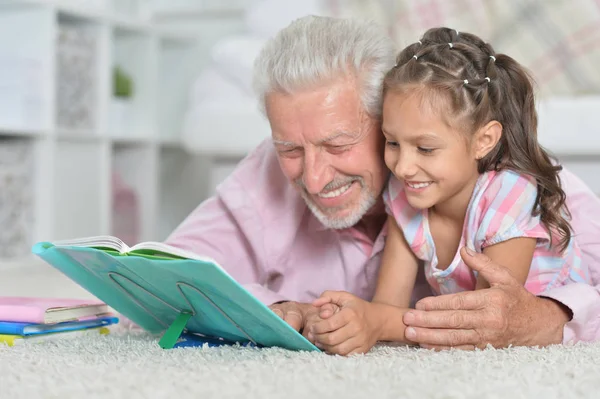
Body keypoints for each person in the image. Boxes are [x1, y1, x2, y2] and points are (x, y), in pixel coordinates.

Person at [164, 16, 600, 351]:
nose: (314, 178)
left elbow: (487, 320)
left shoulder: (519, 183)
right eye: (291, 150)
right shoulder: (276, 171)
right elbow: (166, 272)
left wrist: (546, 317)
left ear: (386, 119)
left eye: (338, 143)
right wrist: (277, 311)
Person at [309, 27, 592, 355]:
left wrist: (379, 322)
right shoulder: (405, 196)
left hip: (555, 333)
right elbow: (387, 304)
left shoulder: (508, 195)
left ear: (483, 141)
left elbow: (483, 323)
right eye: (392, 142)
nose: (403, 167)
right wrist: (356, 319)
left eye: (425, 148)